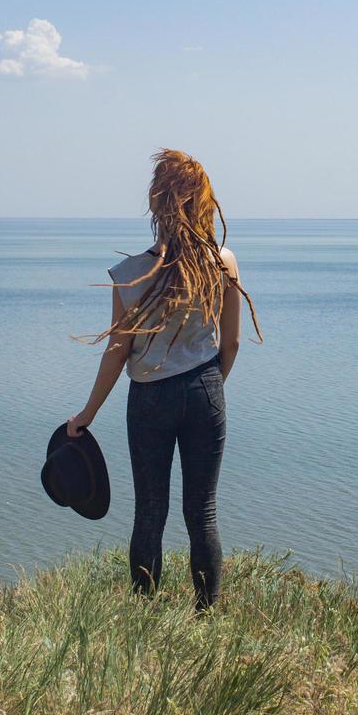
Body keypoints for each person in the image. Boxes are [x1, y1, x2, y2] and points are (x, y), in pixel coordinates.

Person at [68, 149, 262, 609]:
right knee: (203, 514)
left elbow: (118, 352)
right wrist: (209, 389)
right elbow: (230, 343)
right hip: (205, 390)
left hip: (150, 398)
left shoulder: (130, 273)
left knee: (150, 512)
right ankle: (206, 615)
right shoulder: (223, 262)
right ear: (205, 204)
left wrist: (86, 414)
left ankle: (144, 614)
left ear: (157, 204)